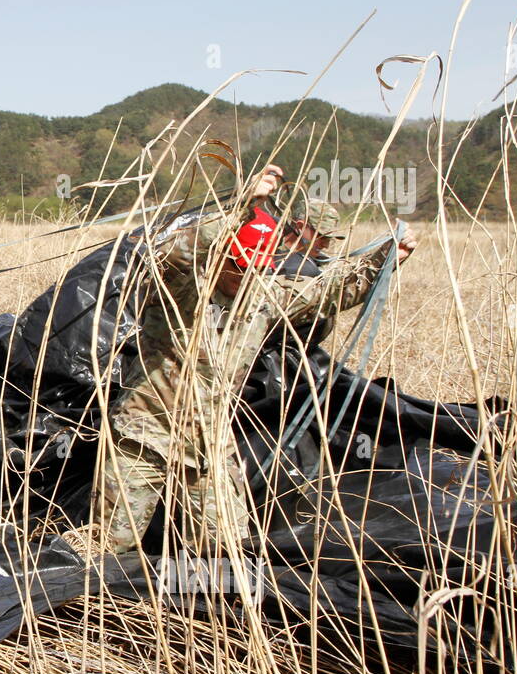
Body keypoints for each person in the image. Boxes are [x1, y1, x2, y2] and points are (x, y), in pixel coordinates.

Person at [71, 171, 418, 558]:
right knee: (109, 547)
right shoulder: (180, 286)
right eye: (239, 267)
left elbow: (328, 291)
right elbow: (172, 248)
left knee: (228, 549)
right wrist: (240, 205)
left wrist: (385, 259)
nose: (246, 277)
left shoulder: (263, 298)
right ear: (220, 255)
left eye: (258, 268)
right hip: (145, 434)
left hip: (208, 444)